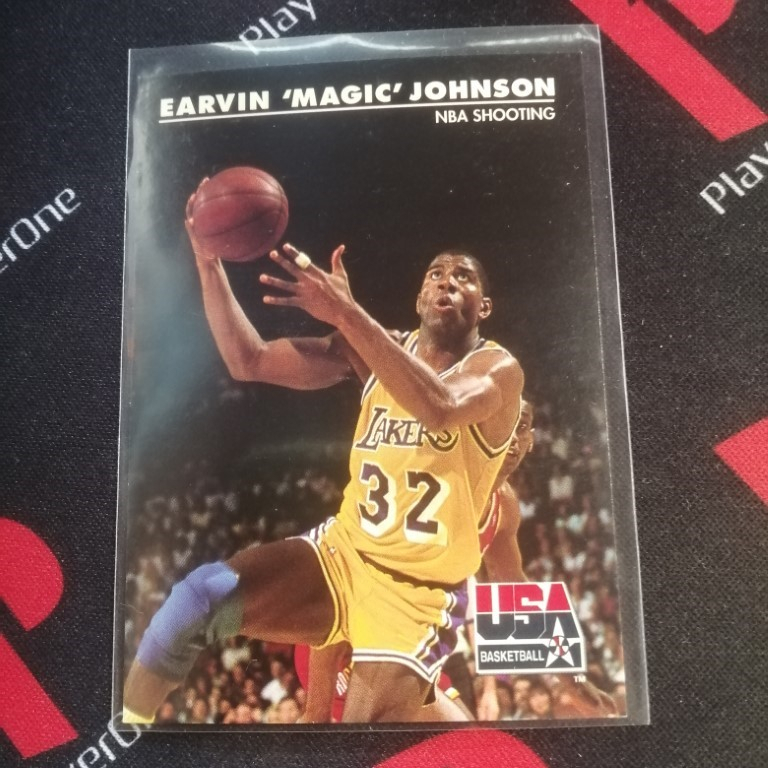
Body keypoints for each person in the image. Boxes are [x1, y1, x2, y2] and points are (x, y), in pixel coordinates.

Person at [122, 177, 524, 724]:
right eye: (435, 273)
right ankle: (125, 737)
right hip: (344, 555)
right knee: (196, 601)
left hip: (417, 596)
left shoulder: (498, 369)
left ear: (484, 306)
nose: (447, 281)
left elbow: (441, 407)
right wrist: (207, 260)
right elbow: (249, 359)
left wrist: (347, 314)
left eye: (464, 277)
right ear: (418, 298)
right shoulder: (378, 349)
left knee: (359, 733)